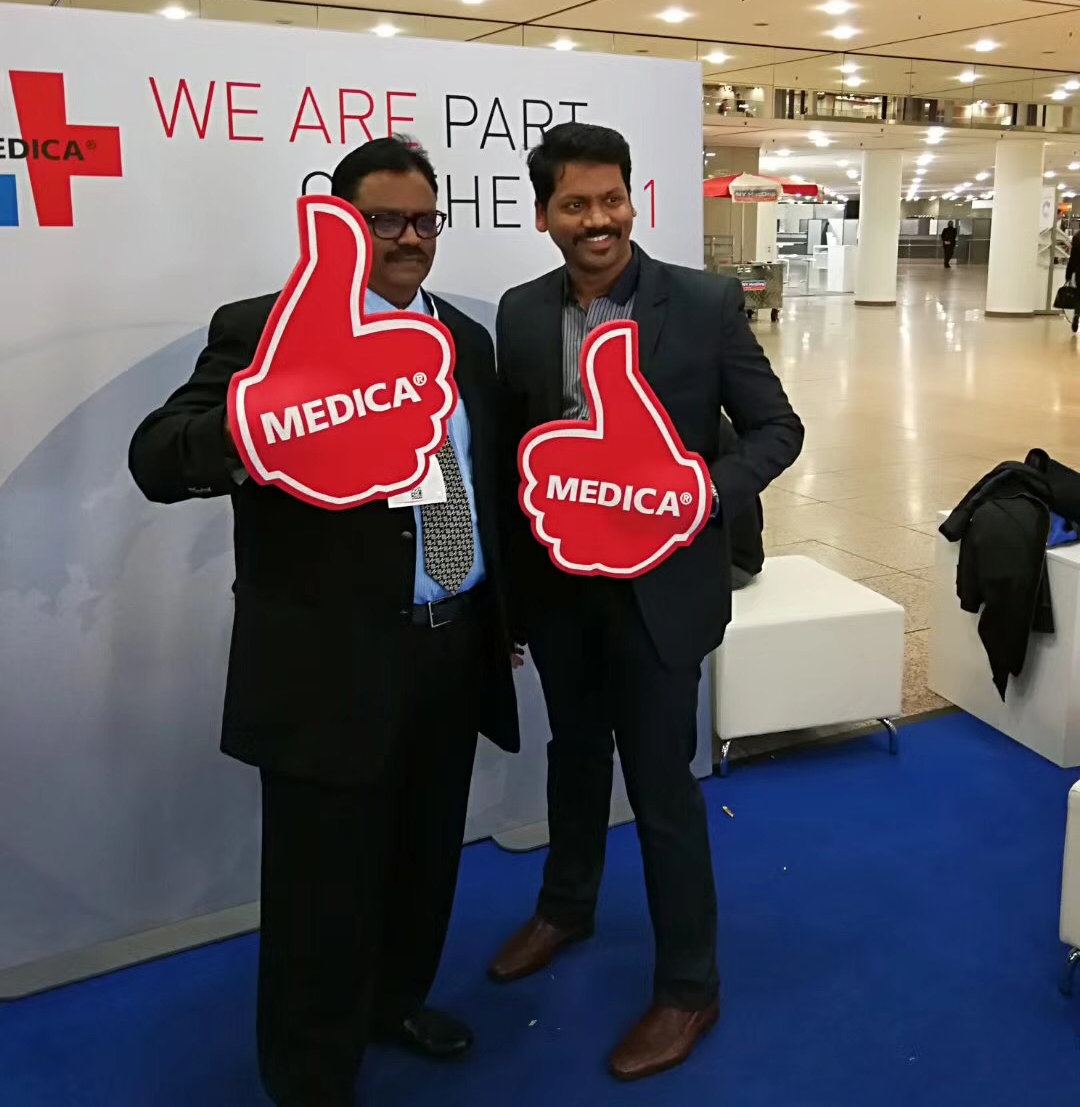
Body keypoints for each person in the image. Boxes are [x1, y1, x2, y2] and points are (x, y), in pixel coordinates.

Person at [128, 137, 519, 1107]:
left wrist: (496, 610)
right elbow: (158, 455)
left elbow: (480, 479)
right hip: (329, 663)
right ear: (342, 223)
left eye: (424, 220)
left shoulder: (464, 339)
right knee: (320, 889)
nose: (409, 239)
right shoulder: (267, 331)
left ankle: (395, 1002)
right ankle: (310, 1076)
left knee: (425, 858)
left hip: (451, 643)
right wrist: (259, 427)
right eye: (385, 220)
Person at [488, 123, 803, 1082]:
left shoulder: (702, 302)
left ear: (633, 200)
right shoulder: (521, 312)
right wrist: (510, 603)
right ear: (544, 216)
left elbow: (776, 428)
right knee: (575, 757)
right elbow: (512, 461)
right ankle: (566, 907)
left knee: (662, 788)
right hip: (561, 593)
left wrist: (704, 490)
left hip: (661, 596)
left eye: (612, 199)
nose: (599, 220)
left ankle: (689, 987)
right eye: (575, 204)